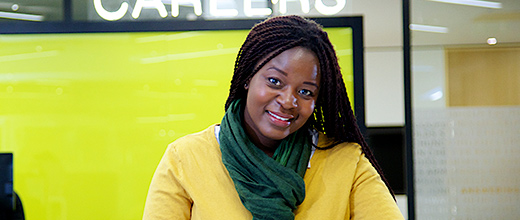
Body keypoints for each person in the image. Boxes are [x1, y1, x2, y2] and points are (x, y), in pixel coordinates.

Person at [142, 15, 403, 220]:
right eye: (275, 81)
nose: (289, 101)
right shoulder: (185, 158)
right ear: (247, 78)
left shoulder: (346, 163)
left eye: (305, 91)